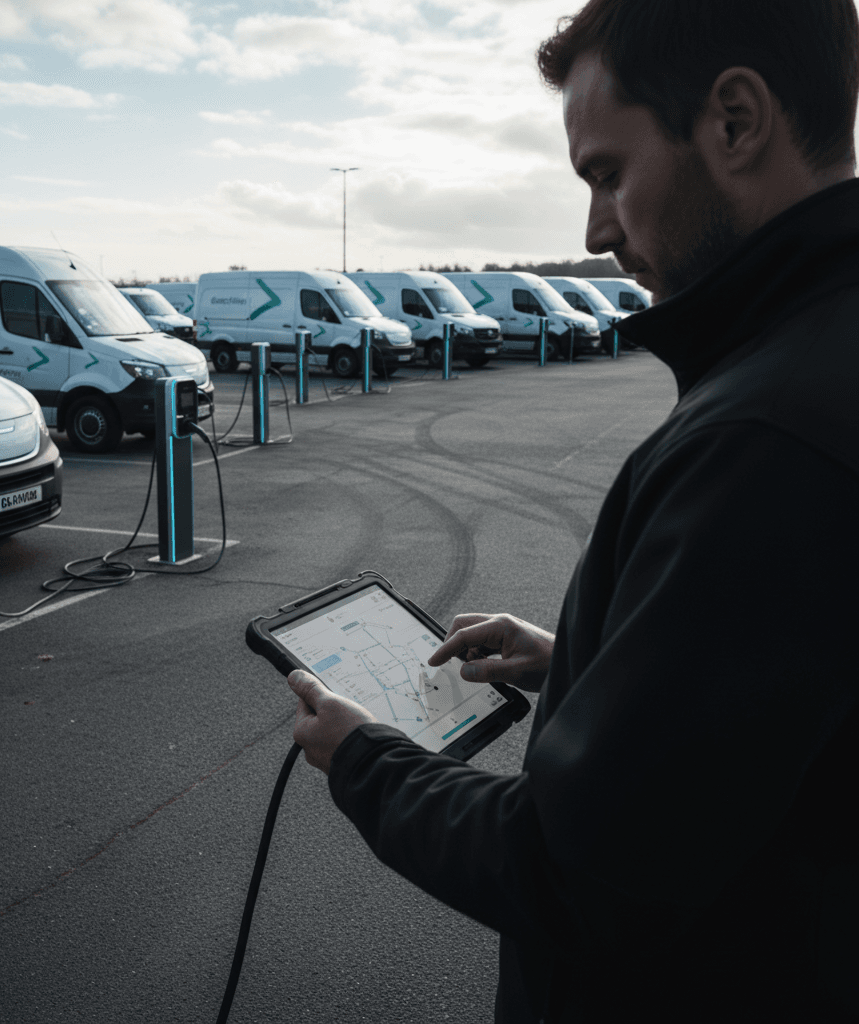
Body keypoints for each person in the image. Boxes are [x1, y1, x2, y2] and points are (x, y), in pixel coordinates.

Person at [287, 1, 859, 1020]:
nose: (595, 230)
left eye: (606, 173)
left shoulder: (760, 435)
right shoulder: (821, 358)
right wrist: (589, 658)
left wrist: (365, 757)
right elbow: (785, 691)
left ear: (733, 120)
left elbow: (575, 871)